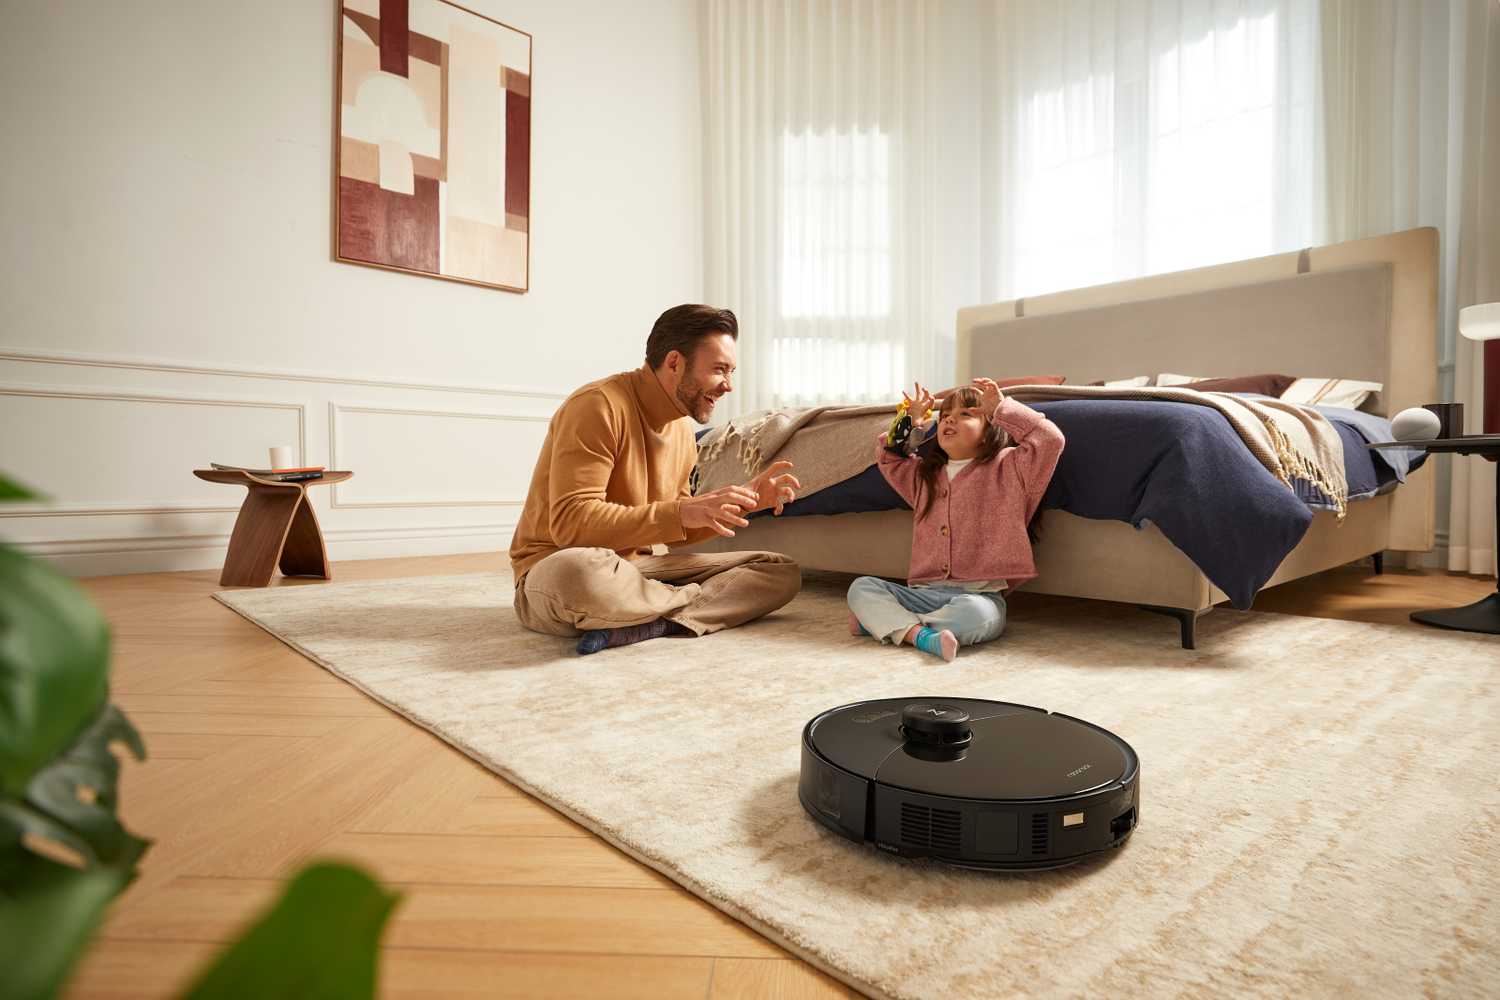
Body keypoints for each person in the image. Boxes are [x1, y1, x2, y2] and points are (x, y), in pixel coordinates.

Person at [509, 304, 803, 654]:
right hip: (560, 566)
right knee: (579, 575)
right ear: (675, 362)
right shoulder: (597, 406)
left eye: (731, 372)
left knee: (778, 571)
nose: (728, 385)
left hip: (637, 572)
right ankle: (690, 605)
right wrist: (683, 514)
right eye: (720, 370)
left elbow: (677, 535)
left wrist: (746, 503)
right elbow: (570, 524)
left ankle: (650, 621)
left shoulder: (681, 427)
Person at [846, 377, 1065, 661]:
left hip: (979, 597)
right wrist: (909, 421)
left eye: (966, 414)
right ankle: (921, 636)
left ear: (990, 430)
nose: (950, 420)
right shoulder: (924, 476)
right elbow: (889, 457)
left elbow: (1050, 440)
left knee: (979, 617)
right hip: (924, 593)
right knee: (861, 587)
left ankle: (883, 623)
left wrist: (1001, 407)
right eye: (945, 415)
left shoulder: (1011, 468)